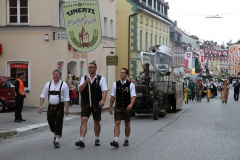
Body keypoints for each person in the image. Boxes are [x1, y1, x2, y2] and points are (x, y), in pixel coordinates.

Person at [75, 62, 108, 148]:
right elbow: (80, 89)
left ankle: (97, 139)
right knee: (83, 119)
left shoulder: (101, 78)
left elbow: (104, 90)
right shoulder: (84, 78)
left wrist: (103, 100)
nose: (89, 69)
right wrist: (86, 82)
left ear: (95, 68)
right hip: (86, 102)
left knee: (96, 121)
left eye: (91, 67)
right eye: (89, 67)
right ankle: (81, 139)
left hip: (96, 102)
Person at [39, 69, 70, 148]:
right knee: (50, 121)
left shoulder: (64, 85)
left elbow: (66, 98)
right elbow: (43, 95)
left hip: (59, 106)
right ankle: (55, 132)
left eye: (57, 74)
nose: (55, 76)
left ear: (60, 76)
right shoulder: (48, 84)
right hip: (51, 106)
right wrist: (40, 106)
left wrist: (67, 108)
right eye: (54, 74)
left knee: (59, 122)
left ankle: (57, 140)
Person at [109, 68, 136, 148]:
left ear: (126, 75)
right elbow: (113, 95)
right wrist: (110, 106)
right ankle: (116, 140)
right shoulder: (115, 84)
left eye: (123, 73)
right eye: (120, 72)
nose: (121, 74)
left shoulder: (130, 84)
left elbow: (133, 96)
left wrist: (131, 104)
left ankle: (126, 139)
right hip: (118, 106)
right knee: (117, 122)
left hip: (127, 107)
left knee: (127, 123)